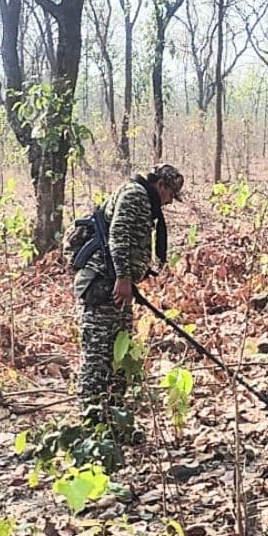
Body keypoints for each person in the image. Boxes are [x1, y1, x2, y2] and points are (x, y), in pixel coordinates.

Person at [74, 164, 184, 425]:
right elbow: (119, 235)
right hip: (103, 286)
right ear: (162, 186)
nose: (169, 202)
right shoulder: (135, 195)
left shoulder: (143, 198)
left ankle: (115, 419)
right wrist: (124, 278)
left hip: (116, 288)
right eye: (170, 195)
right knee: (98, 358)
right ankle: (91, 423)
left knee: (118, 356)